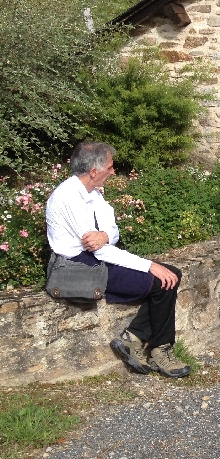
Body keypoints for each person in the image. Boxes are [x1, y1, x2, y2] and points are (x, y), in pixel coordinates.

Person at [45, 142, 190, 378]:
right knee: (161, 280)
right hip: (78, 266)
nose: (113, 172)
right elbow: (99, 251)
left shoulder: (91, 193)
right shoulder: (68, 197)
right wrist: (149, 265)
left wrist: (105, 235)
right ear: (94, 171)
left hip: (92, 257)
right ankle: (159, 350)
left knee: (171, 273)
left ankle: (132, 338)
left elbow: (112, 232)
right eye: (110, 167)